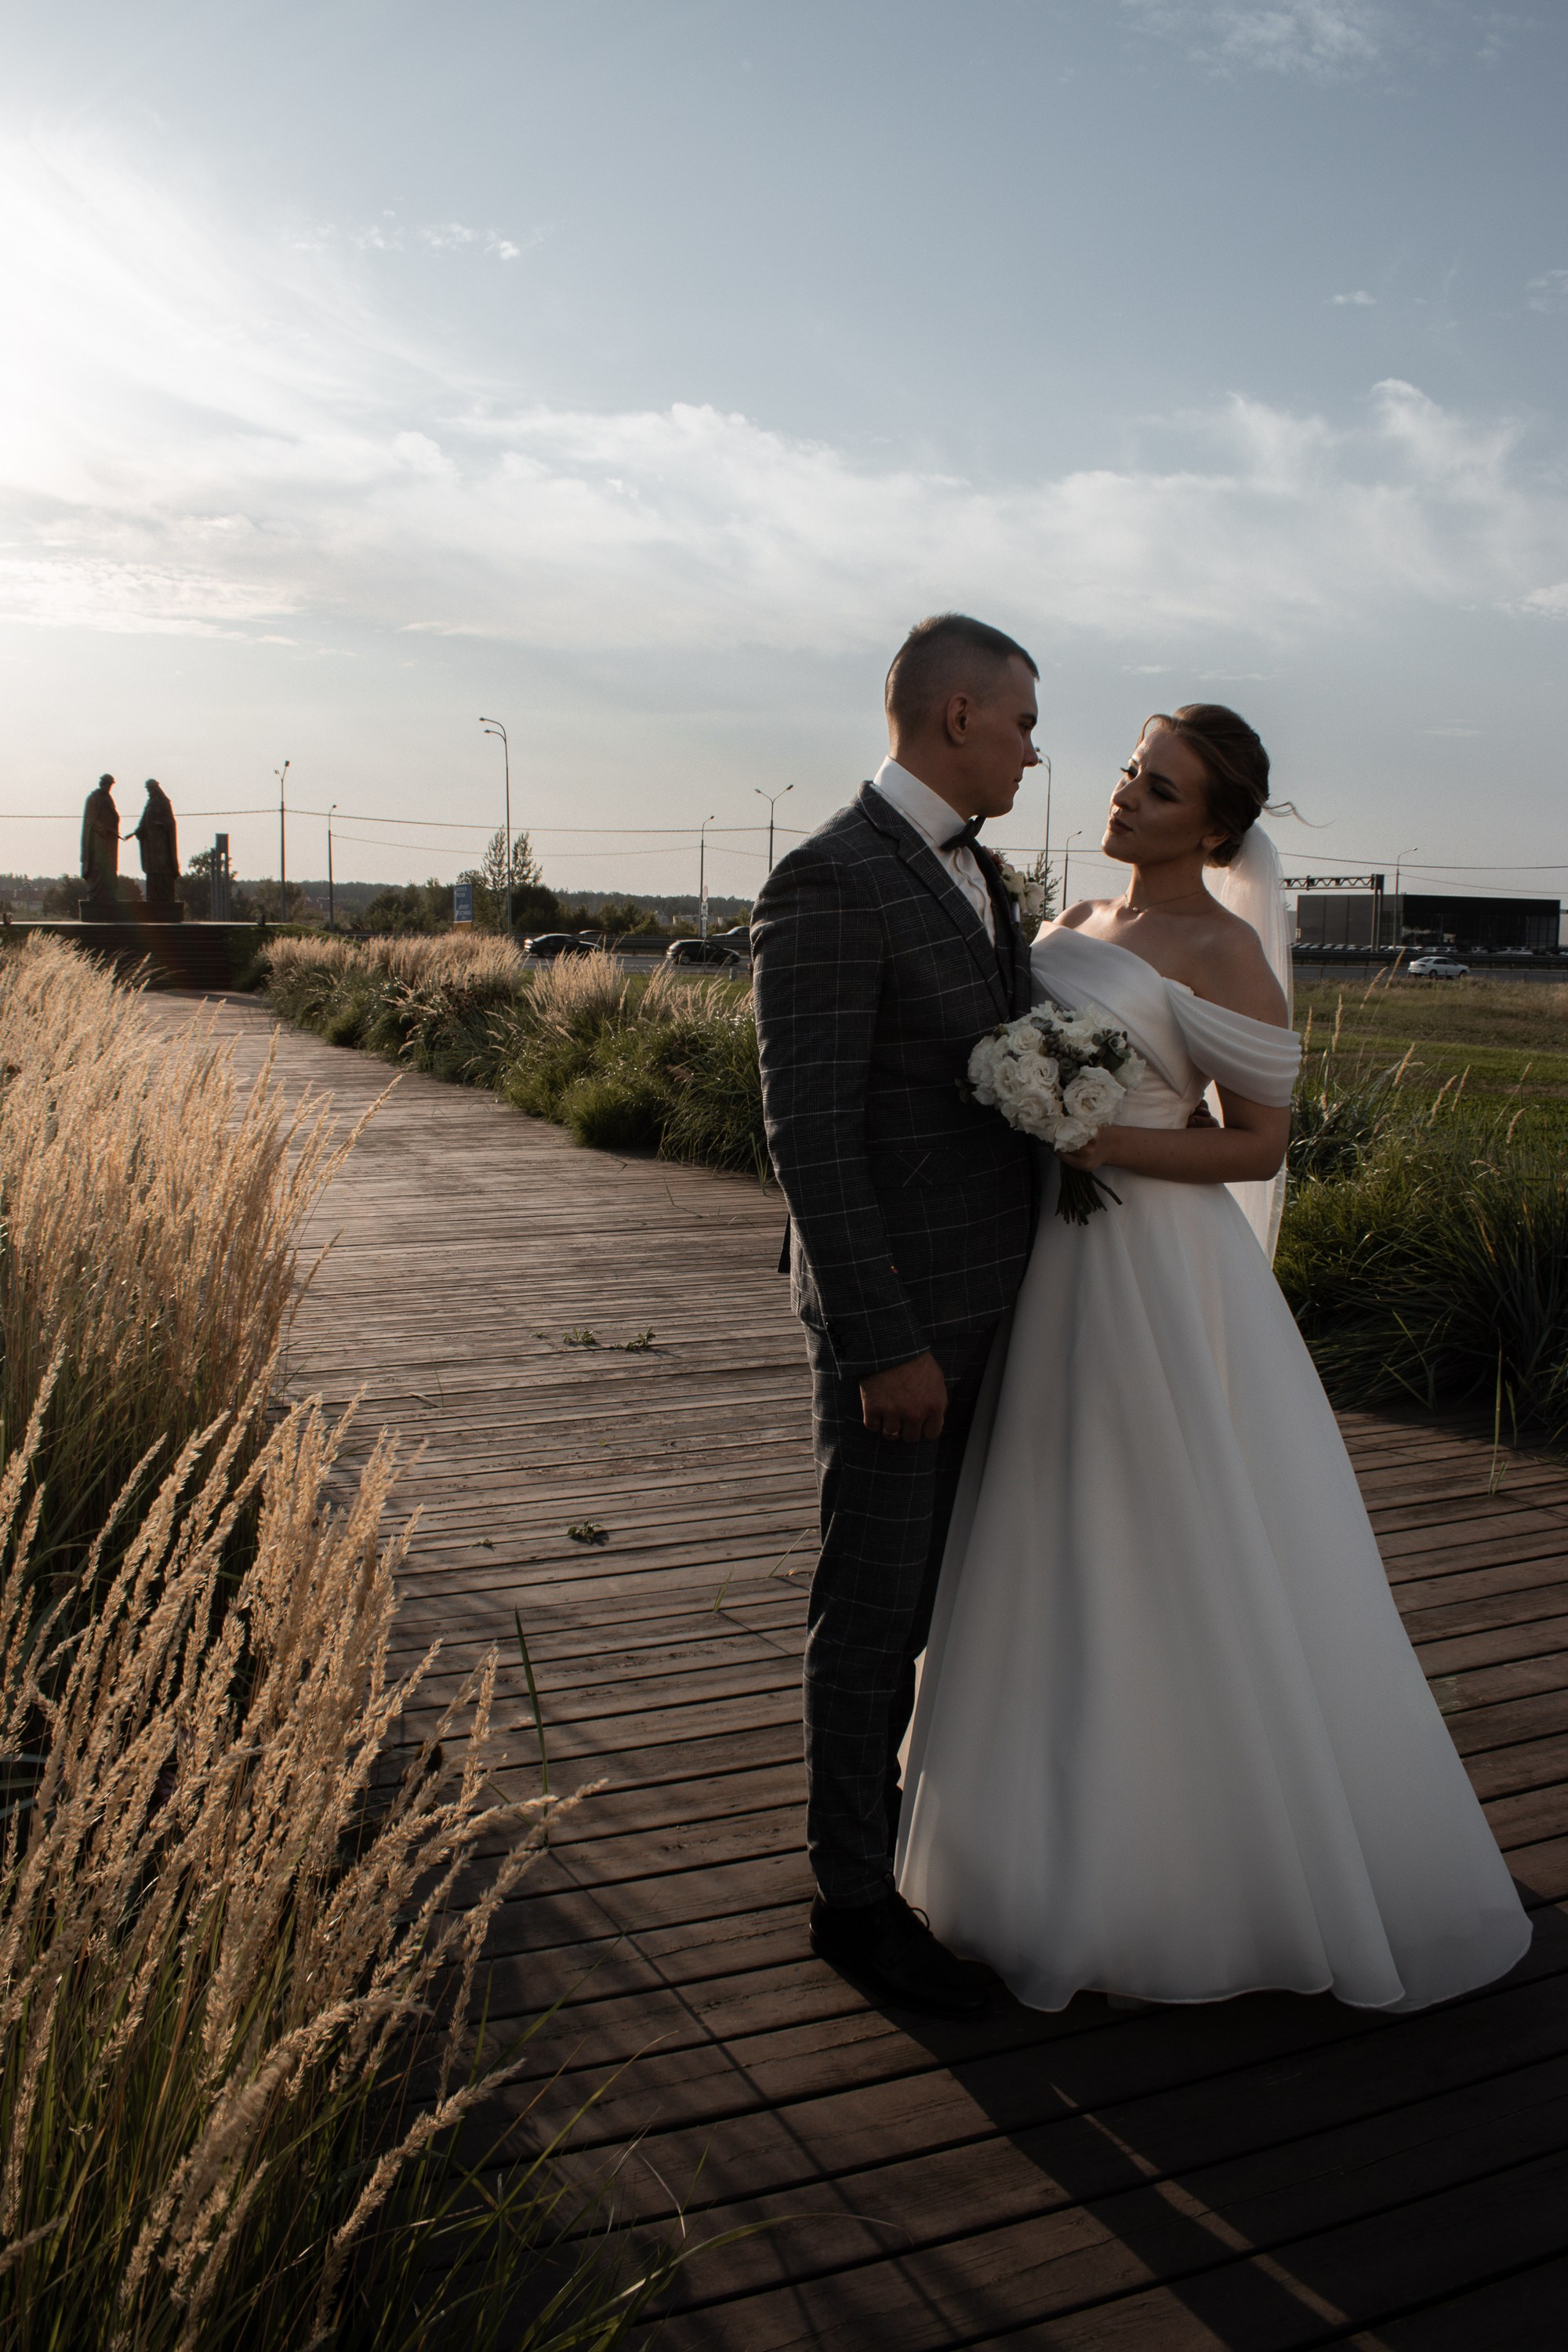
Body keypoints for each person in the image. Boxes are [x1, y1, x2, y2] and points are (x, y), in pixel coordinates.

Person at [897, 705, 1531, 2015]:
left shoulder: (1225, 951)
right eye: (1133, 773)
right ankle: (1028, 1837)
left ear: (1218, 827)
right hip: (1045, 1269)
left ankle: (1192, 1857)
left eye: (1162, 790)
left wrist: (1104, 1141)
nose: (1128, 798)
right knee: (1045, 1522)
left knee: (1160, 1530)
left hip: (1156, 1269)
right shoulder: (1066, 922)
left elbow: (1259, 1145)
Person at [752, 614, 1043, 2015]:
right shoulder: (829, 880)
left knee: (960, 1603)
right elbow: (808, 1135)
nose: (1039, 754)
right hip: (904, 1327)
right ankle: (852, 1901)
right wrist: (884, 1342)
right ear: (957, 718)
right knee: (870, 1611)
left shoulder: (988, 878)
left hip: (1013, 1310)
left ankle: (942, 1852)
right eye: (1026, 725)